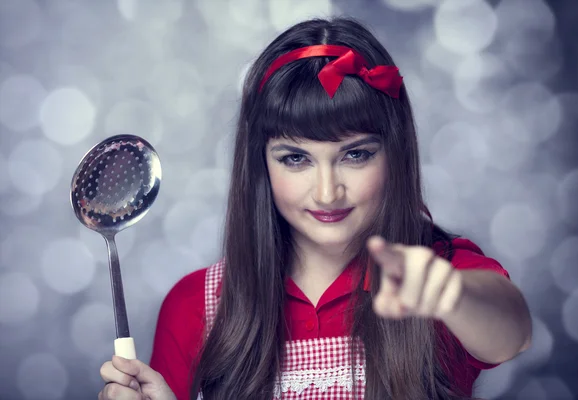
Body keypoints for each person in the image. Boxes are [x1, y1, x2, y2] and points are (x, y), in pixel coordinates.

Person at [98, 17, 532, 400]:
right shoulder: (198, 305)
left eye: (355, 155)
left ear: (395, 154)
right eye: (295, 159)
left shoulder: (439, 270)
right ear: (260, 166)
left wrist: (450, 295)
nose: (327, 193)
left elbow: (510, 333)